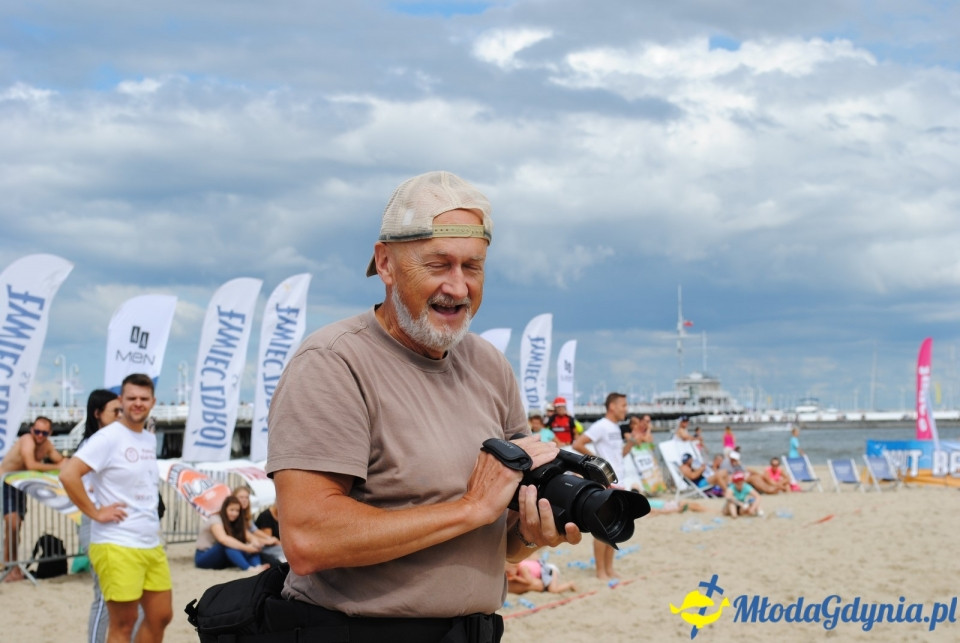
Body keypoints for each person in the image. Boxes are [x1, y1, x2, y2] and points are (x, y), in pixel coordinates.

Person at [265, 170, 580, 642]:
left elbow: (503, 544)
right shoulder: (333, 363)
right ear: (386, 264)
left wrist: (534, 530)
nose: (457, 287)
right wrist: (470, 508)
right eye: (438, 265)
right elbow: (308, 539)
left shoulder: (489, 364)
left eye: (472, 267)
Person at [59, 373, 173, 643]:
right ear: (121, 400)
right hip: (116, 542)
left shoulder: (147, 438)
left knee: (161, 616)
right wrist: (96, 512)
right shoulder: (107, 437)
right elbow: (68, 475)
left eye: (143, 398)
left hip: (149, 543)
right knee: (123, 623)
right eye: (131, 397)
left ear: (152, 401)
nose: (137, 403)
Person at [77, 389, 137, 642]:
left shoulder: (117, 442)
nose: (121, 416)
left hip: (122, 529)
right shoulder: (93, 444)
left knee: (132, 597)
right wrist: (95, 511)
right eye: (116, 411)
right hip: (99, 528)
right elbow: (68, 477)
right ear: (97, 414)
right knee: (105, 596)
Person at [572, 392, 634, 581]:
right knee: (603, 529)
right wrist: (597, 465)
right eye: (623, 405)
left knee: (614, 528)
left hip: (619, 482)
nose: (626, 409)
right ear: (612, 406)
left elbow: (617, 456)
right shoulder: (601, 426)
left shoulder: (615, 427)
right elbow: (578, 444)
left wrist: (631, 442)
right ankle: (600, 571)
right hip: (606, 483)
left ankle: (609, 568)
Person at [1, 416, 68, 582]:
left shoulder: (46, 445)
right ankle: (9, 566)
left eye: (44, 433)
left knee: (16, 527)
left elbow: (61, 461)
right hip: (6, 483)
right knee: (12, 524)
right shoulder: (27, 441)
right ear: (31, 430)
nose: (40, 435)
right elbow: (31, 465)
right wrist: (56, 467)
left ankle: (12, 565)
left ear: (49, 433)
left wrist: (66, 464)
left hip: (19, 484)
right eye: (37, 431)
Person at [195, 495, 268, 572]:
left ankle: (258, 566)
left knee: (253, 547)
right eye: (231, 510)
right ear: (224, 509)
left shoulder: (234, 522)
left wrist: (254, 543)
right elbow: (223, 539)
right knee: (229, 545)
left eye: (237, 511)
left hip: (222, 557)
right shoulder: (216, 520)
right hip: (204, 556)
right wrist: (246, 548)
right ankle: (248, 568)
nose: (235, 513)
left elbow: (248, 536)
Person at [504, 556, 576, 594]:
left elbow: (529, 581)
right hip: (545, 569)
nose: (508, 574)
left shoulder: (523, 569)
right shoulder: (519, 565)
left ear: (515, 566)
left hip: (549, 571)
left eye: (508, 571)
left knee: (553, 590)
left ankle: (570, 585)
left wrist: (516, 578)